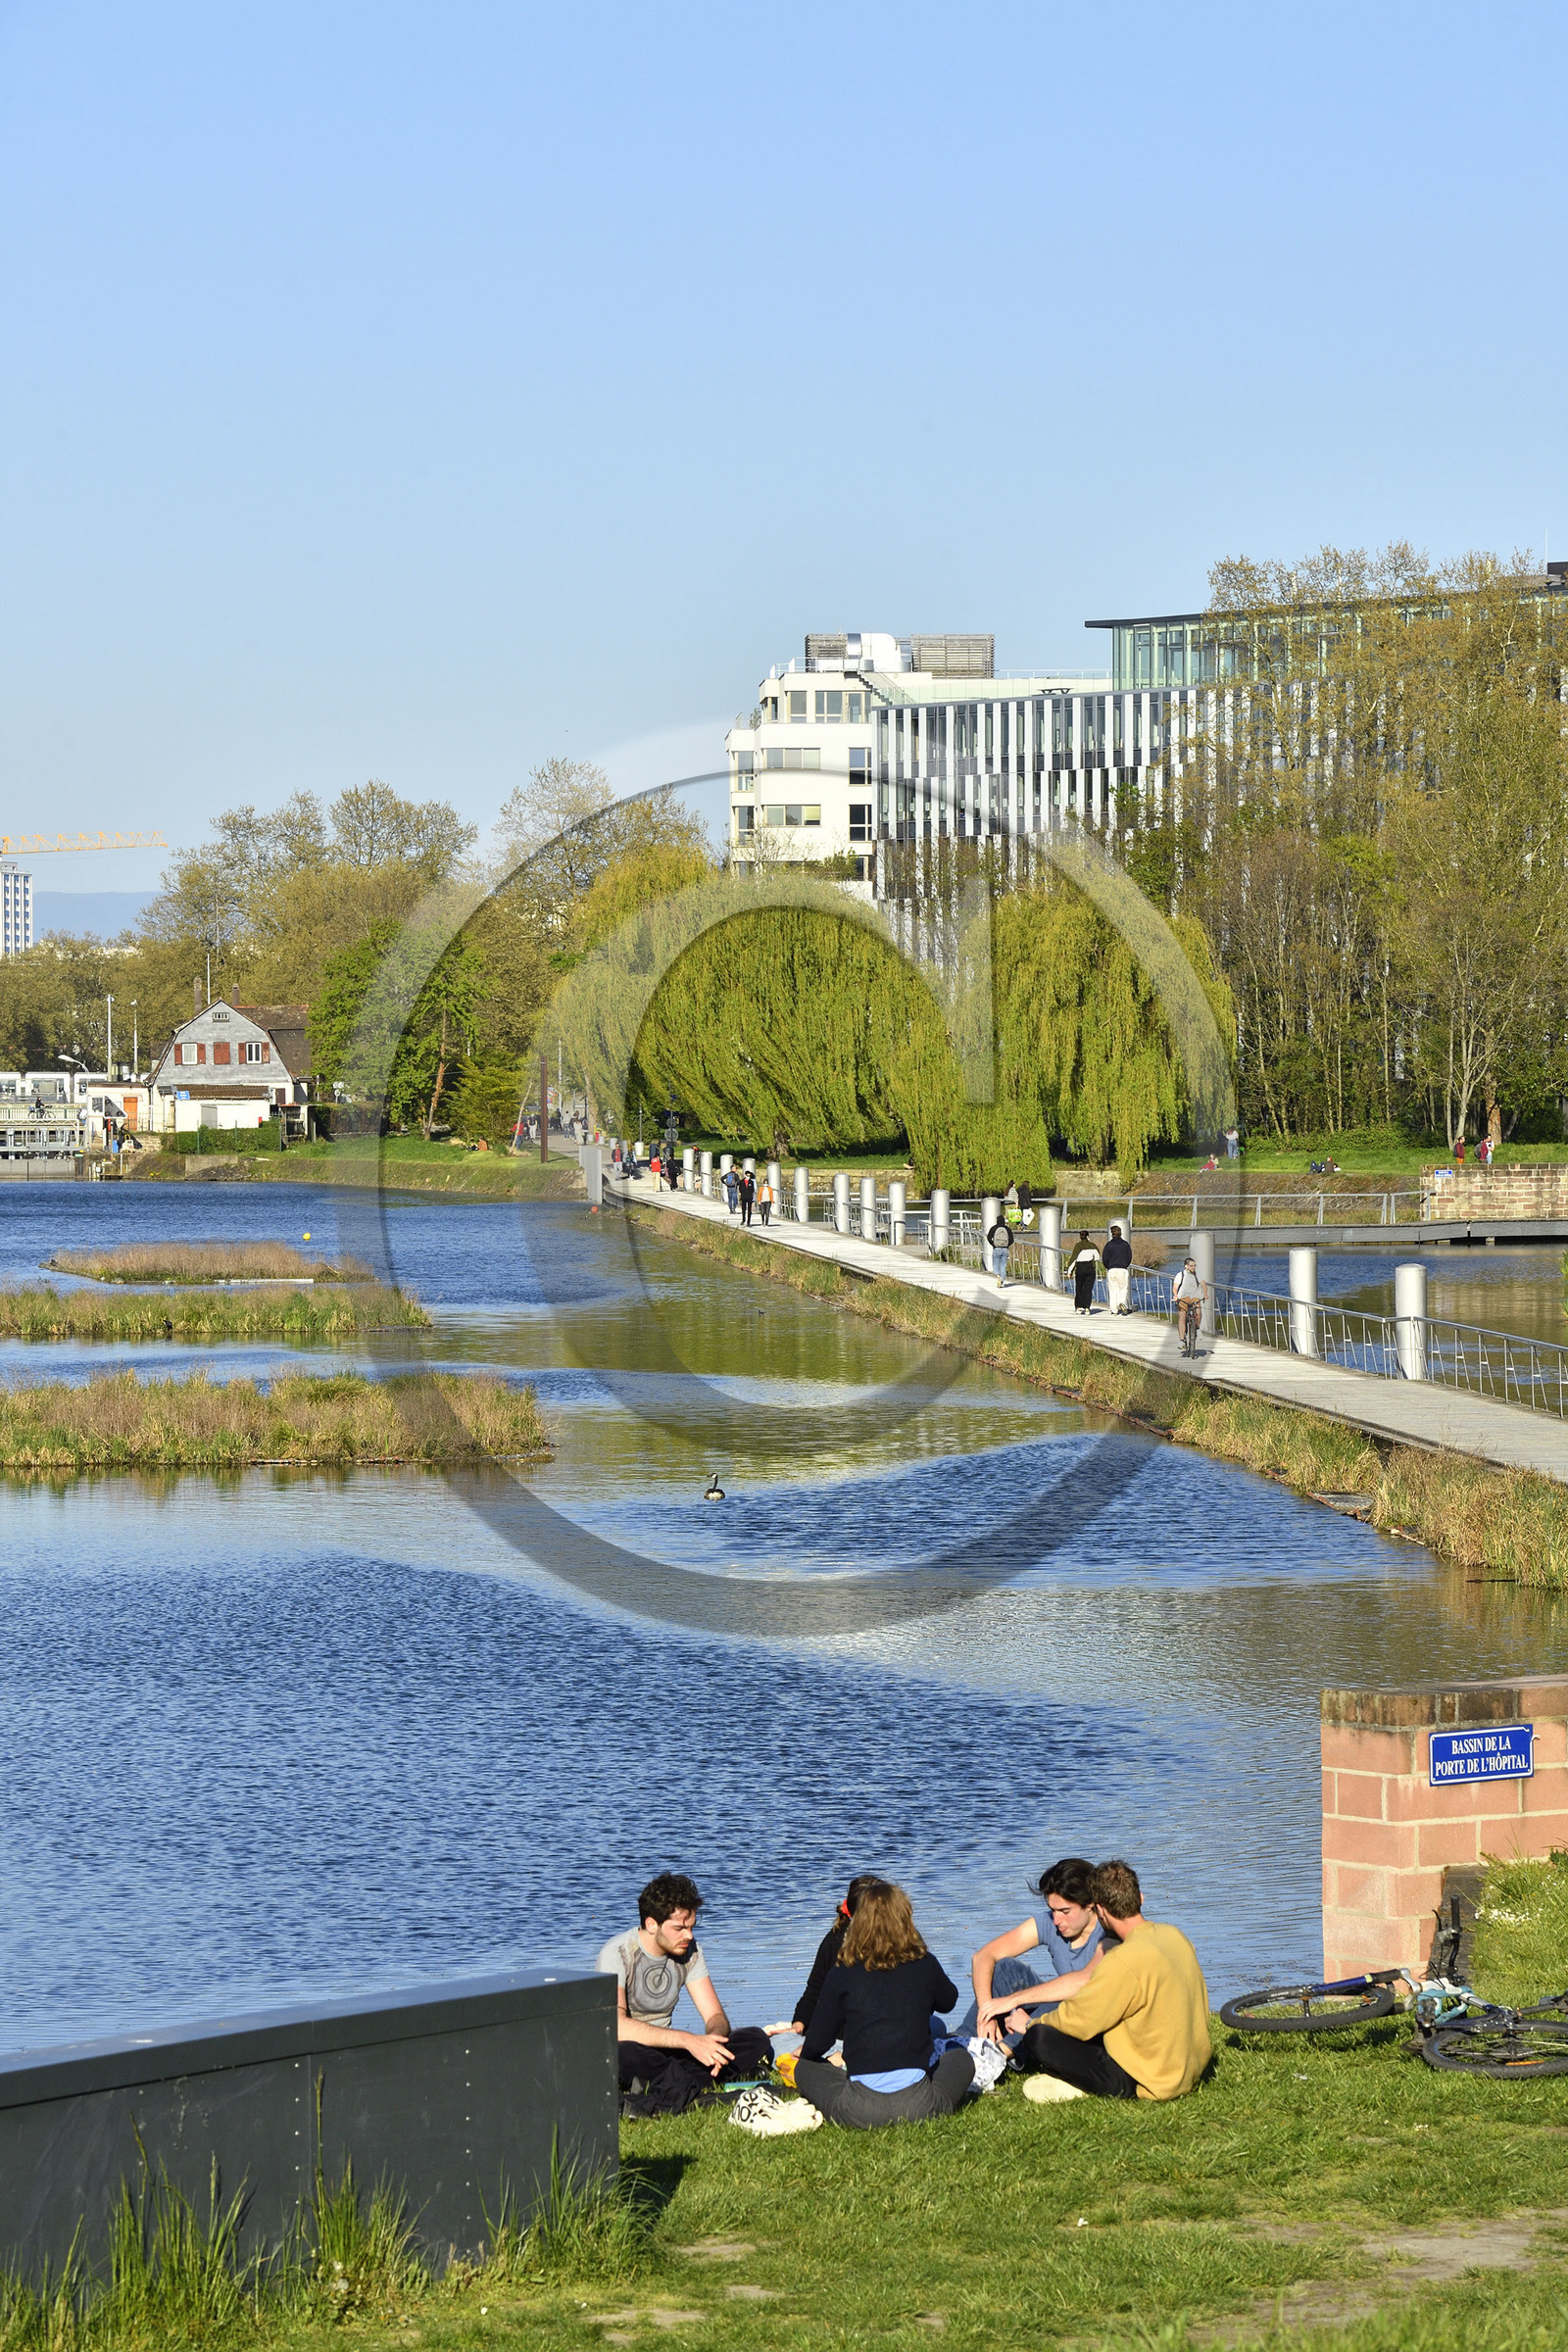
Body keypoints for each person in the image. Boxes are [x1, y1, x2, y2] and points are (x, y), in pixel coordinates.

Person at [1013, 1859, 1210, 2104]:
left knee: (1040, 2038)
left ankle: (1078, 2086)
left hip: (1150, 2080)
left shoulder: (1122, 1959)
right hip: (1190, 2069)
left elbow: (1080, 2019)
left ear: (1101, 1911)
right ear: (1139, 1897)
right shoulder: (1174, 1935)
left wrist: (1031, 2024)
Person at [797, 1881, 974, 2130]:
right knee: (962, 2058)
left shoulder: (842, 1971)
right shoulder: (924, 1963)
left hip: (857, 2110)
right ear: (905, 1919)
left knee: (804, 2068)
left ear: (858, 1922)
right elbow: (949, 2001)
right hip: (919, 2105)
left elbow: (815, 2045)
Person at [598, 1871, 773, 2118]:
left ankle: (677, 2083)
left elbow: (715, 2015)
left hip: (669, 2054)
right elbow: (615, 2027)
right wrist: (689, 2041)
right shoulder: (618, 1953)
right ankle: (691, 2084)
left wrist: (713, 2044)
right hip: (632, 2050)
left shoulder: (690, 1951)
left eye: (691, 1927)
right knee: (622, 2054)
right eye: (679, 1928)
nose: (688, 1936)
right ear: (651, 1925)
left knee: (755, 2039)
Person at [958, 1857, 1105, 2046]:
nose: (1057, 1920)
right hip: (1061, 2009)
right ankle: (961, 2043)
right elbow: (983, 1956)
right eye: (1052, 1910)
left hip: (1091, 2020)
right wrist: (987, 2013)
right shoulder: (1050, 1923)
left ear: (1089, 1904)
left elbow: (1083, 1984)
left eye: (1065, 1911)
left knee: (1064, 2001)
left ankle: (1000, 2054)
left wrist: (1012, 2001)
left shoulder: (1108, 1933)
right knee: (1006, 1968)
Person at [767, 1874, 884, 2040]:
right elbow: (815, 1990)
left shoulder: (894, 1943)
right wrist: (798, 2025)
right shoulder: (835, 1941)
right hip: (846, 2037)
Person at [1172, 1254, 1205, 1356]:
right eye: (1191, 1266)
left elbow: (1203, 1284)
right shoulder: (1180, 1275)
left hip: (1194, 1297)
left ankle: (1197, 1328)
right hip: (1183, 1297)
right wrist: (1176, 1295)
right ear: (1186, 1266)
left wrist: (1205, 1293)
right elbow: (1175, 1286)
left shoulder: (1197, 1274)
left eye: (1194, 1265)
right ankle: (1182, 1340)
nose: (1193, 1267)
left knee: (1198, 1312)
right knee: (1182, 1316)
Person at [1102, 1222, 1133, 1316]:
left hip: (1112, 1269)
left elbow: (1105, 1258)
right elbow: (1129, 1257)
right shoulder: (1125, 1245)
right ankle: (1122, 1302)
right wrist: (1125, 1264)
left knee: (1113, 1289)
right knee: (1123, 1288)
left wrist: (1108, 1266)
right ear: (1121, 1233)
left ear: (1112, 1233)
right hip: (1123, 1269)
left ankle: (1114, 1310)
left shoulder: (1109, 1245)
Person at [1068, 1231, 1100, 1316]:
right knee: (1088, 1288)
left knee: (1079, 1287)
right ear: (1088, 1236)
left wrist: (1069, 1271)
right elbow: (1097, 1257)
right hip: (1090, 1267)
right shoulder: (1093, 1246)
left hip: (1080, 1268)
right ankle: (1087, 1308)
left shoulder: (1078, 1246)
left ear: (1080, 1237)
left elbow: (1074, 1259)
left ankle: (1078, 1307)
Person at [986, 1207, 1012, 1290]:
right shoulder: (1007, 1229)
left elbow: (988, 1237)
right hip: (1005, 1249)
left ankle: (998, 1275)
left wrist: (993, 1244)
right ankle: (1002, 1281)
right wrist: (1007, 1246)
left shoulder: (994, 1228)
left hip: (996, 1248)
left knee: (995, 1264)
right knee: (1003, 1266)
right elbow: (1012, 1240)